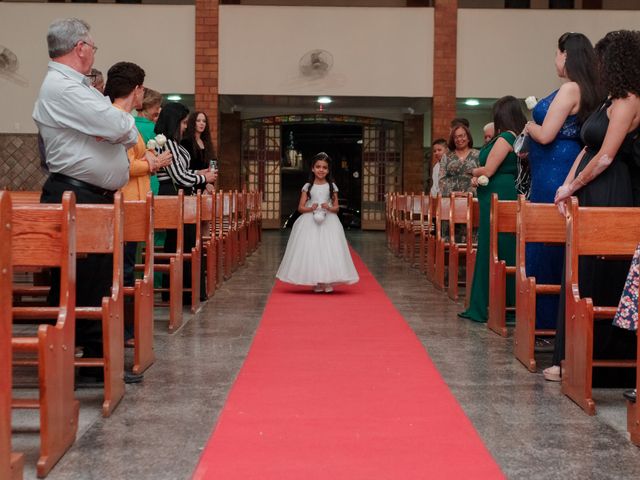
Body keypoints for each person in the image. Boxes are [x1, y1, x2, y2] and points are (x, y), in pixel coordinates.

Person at [33, 18, 139, 383]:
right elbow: (121, 127)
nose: (94, 52)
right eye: (92, 46)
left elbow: (119, 128)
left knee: (94, 280)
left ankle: (90, 358)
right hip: (76, 194)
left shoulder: (79, 86)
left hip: (90, 194)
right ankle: (70, 362)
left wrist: (112, 130)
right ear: (80, 47)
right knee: (78, 282)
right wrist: (111, 131)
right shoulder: (63, 87)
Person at [546, 30, 640, 382]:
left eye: (602, 59)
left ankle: (598, 363)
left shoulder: (630, 100)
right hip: (588, 187)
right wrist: (565, 188)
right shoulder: (607, 100)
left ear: (615, 62)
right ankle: (568, 356)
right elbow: (586, 148)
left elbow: (605, 157)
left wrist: (575, 183)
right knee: (578, 273)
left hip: (610, 189)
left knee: (598, 273)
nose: (596, 65)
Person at [523, 32, 604, 336]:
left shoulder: (570, 88)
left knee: (544, 244)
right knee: (550, 244)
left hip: (554, 172)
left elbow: (545, 135)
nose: (554, 60)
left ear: (566, 55)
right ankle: (550, 322)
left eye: (556, 53)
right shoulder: (586, 89)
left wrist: (528, 125)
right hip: (555, 167)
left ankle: (544, 323)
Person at [104, 62, 172, 347]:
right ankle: (124, 332)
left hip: (134, 200)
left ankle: (127, 330)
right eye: (142, 87)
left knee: (127, 266)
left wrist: (149, 162)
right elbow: (120, 166)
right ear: (137, 89)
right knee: (124, 268)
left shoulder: (125, 119)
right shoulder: (119, 120)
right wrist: (151, 164)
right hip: (127, 199)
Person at [458, 96, 527, 323]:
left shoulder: (506, 137)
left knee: (495, 247)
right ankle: (496, 303)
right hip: (499, 191)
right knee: (496, 246)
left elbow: (489, 168)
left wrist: (473, 174)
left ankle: (491, 305)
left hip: (499, 192)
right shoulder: (514, 137)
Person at [155, 102, 217, 302]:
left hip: (182, 195)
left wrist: (198, 173)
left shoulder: (173, 142)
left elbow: (183, 172)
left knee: (182, 243)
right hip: (174, 195)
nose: (185, 126)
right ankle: (182, 292)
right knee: (183, 244)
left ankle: (182, 290)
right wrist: (203, 179)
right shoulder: (166, 143)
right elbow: (178, 178)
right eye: (182, 123)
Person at [276, 152, 359, 292]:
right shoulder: (308, 186)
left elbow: (337, 208)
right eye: (318, 167)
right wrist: (311, 208)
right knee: (312, 250)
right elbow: (300, 208)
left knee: (328, 249)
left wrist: (329, 207)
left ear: (328, 170)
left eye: (324, 167)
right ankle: (317, 281)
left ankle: (327, 281)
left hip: (329, 221)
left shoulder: (332, 186)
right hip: (310, 220)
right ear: (313, 169)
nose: (321, 170)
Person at [135, 87, 163, 195]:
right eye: (156, 107)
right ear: (148, 106)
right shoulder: (152, 128)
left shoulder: (129, 123)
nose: (158, 110)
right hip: (149, 179)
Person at [438, 123, 479, 196]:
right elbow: (441, 179)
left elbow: (484, 176)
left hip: (473, 199)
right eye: (455, 137)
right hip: (451, 199)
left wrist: (477, 179)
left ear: (468, 137)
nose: (459, 139)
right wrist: (452, 193)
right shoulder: (446, 156)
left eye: (462, 136)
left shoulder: (478, 155)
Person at [181, 111, 217, 194]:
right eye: (198, 121)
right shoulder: (185, 142)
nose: (202, 123)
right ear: (192, 122)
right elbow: (185, 169)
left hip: (207, 188)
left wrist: (209, 185)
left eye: (204, 121)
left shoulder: (207, 143)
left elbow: (213, 165)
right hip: (191, 186)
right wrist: (205, 184)